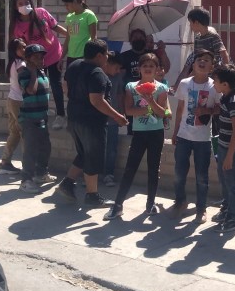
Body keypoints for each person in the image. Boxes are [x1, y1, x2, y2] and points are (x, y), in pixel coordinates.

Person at [55, 40, 128, 207]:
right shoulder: (97, 73)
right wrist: (117, 116)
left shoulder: (74, 65)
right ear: (99, 55)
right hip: (91, 122)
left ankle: (67, 183)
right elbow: (97, 101)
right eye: (106, 54)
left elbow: (65, 87)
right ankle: (92, 195)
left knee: (83, 154)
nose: (108, 57)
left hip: (74, 118)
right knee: (93, 157)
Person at [104, 53, 169, 221]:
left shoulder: (162, 88)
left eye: (152, 66)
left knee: (154, 169)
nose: (148, 69)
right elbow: (129, 111)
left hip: (156, 133)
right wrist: (148, 109)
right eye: (145, 66)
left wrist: (150, 101)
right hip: (139, 133)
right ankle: (118, 205)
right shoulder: (131, 87)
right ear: (139, 69)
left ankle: (150, 203)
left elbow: (164, 113)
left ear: (157, 70)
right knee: (130, 168)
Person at [169, 49, 221, 223]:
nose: (202, 62)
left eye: (207, 60)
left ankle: (201, 208)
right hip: (184, 136)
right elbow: (180, 109)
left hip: (203, 139)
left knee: (201, 176)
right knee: (179, 172)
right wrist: (175, 132)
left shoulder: (215, 86)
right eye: (199, 59)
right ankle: (180, 201)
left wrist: (207, 110)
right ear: (193, 64)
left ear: (211, 67)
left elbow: (221, 108)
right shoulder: (184, 83)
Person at [9, 0, 68, 130]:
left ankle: (61, 115)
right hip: (36, 59)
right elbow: (20, 46)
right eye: (20, 4)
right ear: (15, 7)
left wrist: (70, 35)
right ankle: (43, 111)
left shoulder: (41, 13)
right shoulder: (17, 25)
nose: (25, 6)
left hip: (53, 54)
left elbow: (55, 27)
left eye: (27, 2)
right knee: (40, 84)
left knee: (55, 83)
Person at [16, 44, 55, 194]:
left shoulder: (42, 72)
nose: (40, 59)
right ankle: (26, 180)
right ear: (27, 59)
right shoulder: (24, 73)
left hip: (42, 117)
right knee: (30, 151)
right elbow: (31, 91)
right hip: (29, 119)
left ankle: (41, 174)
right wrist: (32, 73)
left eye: (42, 56)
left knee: (45, 148)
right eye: (36, 57)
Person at [211, 66, 235, 233]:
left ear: (225, 84)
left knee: (232, 184)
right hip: (222, 145)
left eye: (215, 81)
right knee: (224, 180)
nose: (213, 84)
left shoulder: (233, 102)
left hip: (231, 150)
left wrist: (230, 156)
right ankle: (226, 209)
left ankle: (234, 217)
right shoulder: (226, 97)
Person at [172, 7, 229, 89]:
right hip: (201, 78)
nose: (190, 26)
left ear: (196, 22)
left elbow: (224, 55)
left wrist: (224, 75)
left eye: (190, 23)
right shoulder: (197, 38)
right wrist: (186, 81)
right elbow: (195, 63)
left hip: (213, 79)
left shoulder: (213, 36)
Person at [0, 38, 26, 175]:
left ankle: (5, 162)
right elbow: (23, 83)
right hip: (19, 101)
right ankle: (28, 166)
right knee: (25, 133)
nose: (24, 50)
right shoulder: (21, 64)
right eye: (21, 48)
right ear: (14, 50)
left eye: (25, 47)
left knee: (14, 133)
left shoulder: (12, 63)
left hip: (11, 100)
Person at [103, 51, 125, 186]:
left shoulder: (117, 78)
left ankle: (108, 174)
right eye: (116, 68)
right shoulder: (98, 75)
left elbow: (119, 95)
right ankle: (91, 174)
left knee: (111, 148)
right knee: (95, 148)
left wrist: (122, 113)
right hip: (98, 119)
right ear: (107, 64)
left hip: (113, 119)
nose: (117, 71)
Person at [60, 0, 98, 67]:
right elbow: (68, 38)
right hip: (71, 56)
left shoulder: (89, 15)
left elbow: (94, 38)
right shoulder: (69, 17)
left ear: (74, 2)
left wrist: (91, 56)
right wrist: (61, 58)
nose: (66, 7)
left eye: (67, 5)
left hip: (84, 56)